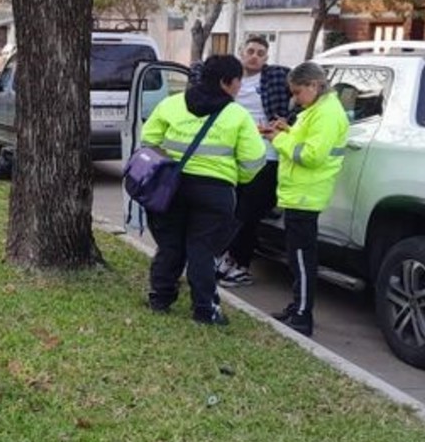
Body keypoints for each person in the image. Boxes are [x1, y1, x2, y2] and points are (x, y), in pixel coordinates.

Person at [142, 54, 268, 326]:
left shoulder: (172, 104)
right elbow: (253, 160)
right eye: (237, 82)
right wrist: (236, 177)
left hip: (172, 188)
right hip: (215, 191)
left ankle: (160, 297)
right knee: (202, 249)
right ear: (226, 82)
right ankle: (204, 309)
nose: (239, 87)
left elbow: (148, 139)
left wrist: (169, 163)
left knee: (170, 245)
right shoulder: (237, 115)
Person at [262, 62, 350, 336]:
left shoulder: (326, 114)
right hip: (300, 193)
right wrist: (286, 131)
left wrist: (278, 140)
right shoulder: (316, 110)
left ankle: (302, 314)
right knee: (297, 255)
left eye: (298, 92)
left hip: (306, 195)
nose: (295, 98)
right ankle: (297, 306)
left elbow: (311, 155)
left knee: (301, 258)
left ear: (314, 85)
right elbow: (306, 142)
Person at [202, 36, 292, 289]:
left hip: (267, 154)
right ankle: (226, 259)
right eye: (250, 51)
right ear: (241, 52)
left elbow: (303, 95)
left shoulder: (276, 78)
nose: (254, 56)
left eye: (260, 53)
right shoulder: (228, 80)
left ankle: (239, 263)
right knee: (231, 210)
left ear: (266, 58)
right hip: (232, 154)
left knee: (247, 214)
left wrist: (283, 122)